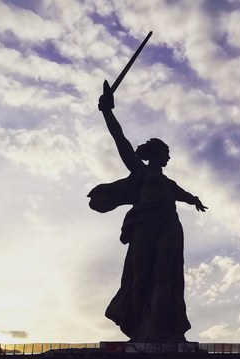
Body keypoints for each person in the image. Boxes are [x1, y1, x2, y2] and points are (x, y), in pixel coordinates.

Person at [88, 81, 207, 341]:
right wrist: (107, 111)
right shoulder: (140, 172)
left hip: (168, 225)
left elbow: (182, 194)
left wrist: (194, 199)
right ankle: (139, 328)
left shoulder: (168, 183)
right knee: (141, 278)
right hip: (143, 224)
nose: (168, 158)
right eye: (166, 153)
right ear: (156, 153)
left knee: (164, 277)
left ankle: (157, 327)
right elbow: (120, 140)